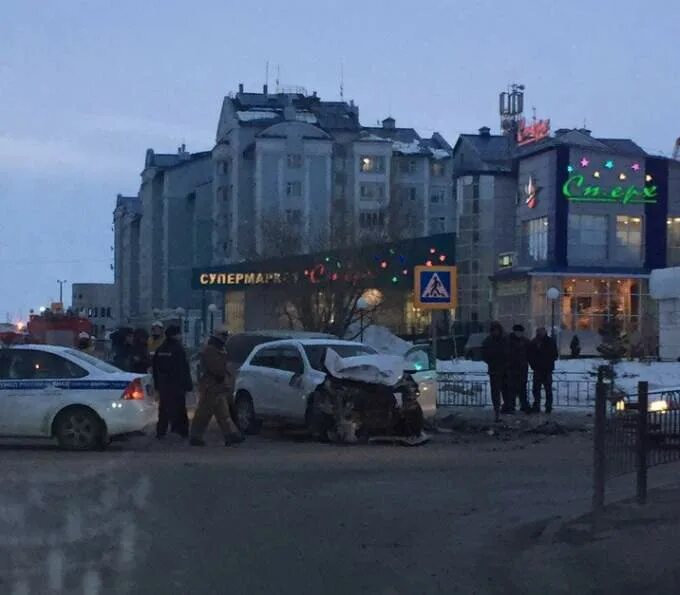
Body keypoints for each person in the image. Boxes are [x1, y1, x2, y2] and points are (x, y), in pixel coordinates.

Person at [190, 329, 244, 447]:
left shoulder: (219, 349)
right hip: (211, 386)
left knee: (223, 413)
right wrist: (221, 376)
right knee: (204, 413)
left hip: (217, 386)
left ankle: (230, 434)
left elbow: (221, 367)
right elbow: (215, 367)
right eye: (224, 336)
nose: (226, 338)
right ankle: (195, 436)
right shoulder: (211, 349)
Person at [152, 325, 193, 439]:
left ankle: (161, 431)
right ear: (175, 335)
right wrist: (188, 385)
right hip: (177, 384)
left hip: (164, 384)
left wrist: (157, 385)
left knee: (164, 408)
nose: (181, 336)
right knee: (180, 408)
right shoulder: (178, 349)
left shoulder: (160, 349)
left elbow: (155, 368)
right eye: (179, 334)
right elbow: (183, 368)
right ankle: (182, 431)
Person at [481, 322, 509, 422]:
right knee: (496, 392)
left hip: (505, 369)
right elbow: (484, 354)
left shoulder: (505, 340)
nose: (496, 332)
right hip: (494, 370)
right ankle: (497, 410)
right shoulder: (488, 341)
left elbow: (510, 353)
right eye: (494, 330)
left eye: (497, 330)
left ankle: (506, 407)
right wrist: (492, 362)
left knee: (506, 390)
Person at [528, 327, 559, 414]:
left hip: (546, 369)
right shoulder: (534, 342)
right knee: (537, 389)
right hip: (538, 369)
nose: (540, 333)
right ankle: (537, 405)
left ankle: (548, 406)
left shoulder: (550, 341)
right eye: (539, 332)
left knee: (547, 389)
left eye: (542, 331)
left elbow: (554, 354)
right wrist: (533, 364)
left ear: (545, 332)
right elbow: (530, 355)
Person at [505, 324, 531, 414]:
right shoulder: (508, 341)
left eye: (520, 332)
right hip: (512, 368)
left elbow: (530, 354)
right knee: (511, 388)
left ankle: (523, 405)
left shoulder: (526, 341)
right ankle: (511, 406)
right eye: (517, 332)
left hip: (522, 368)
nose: (519, 334)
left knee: (522, 388)